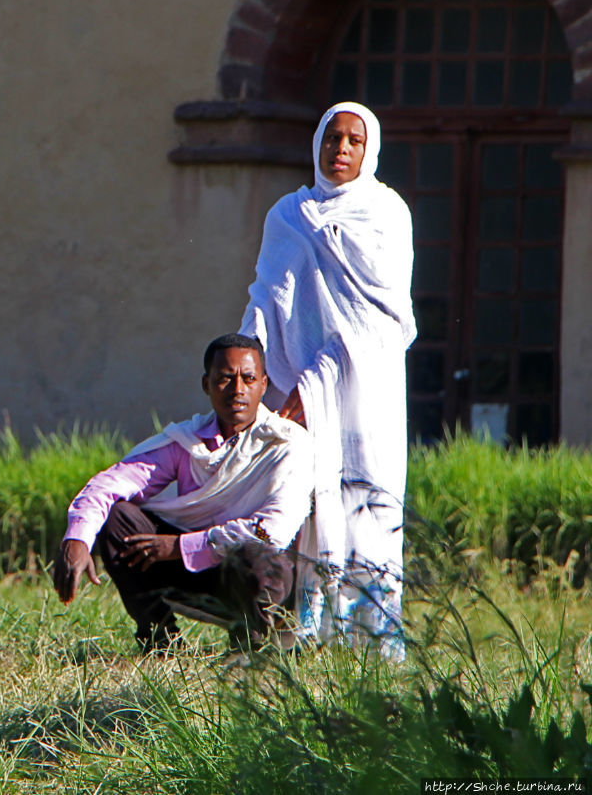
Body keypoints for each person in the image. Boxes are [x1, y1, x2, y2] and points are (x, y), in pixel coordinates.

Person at [239, 101, 416, 658]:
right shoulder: (287, 217)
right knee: (308, 504)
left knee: (370, 510)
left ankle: (371, 643)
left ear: (370, 151)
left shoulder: (387, 214)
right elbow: (266, 302)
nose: (340, 149)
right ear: (315, 144)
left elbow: (381, 321)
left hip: (366, 400)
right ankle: (307, 634)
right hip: (293, 397)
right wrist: (250, 373)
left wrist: (314, 385)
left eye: (353, 141)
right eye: (331, 138)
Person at [52, 333, 313, 653]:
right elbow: (109, 484)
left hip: (260, 581)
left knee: (255, 556)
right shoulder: (188, 442)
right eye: (225, 379)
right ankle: (158, 641)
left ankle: (253, 649)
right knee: (118, 518)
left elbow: (270, 530)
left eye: (248, 379)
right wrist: (77, 539)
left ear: (263, 384)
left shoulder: (286, 445)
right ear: (206, 385)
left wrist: (180, 546)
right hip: (196, 574)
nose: (237, 390)